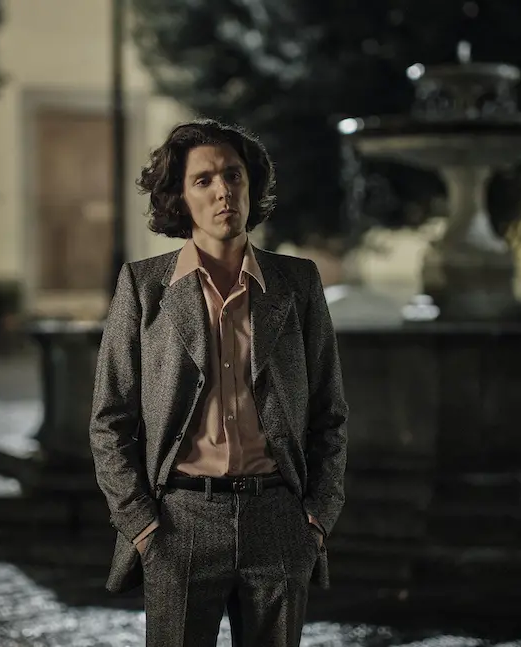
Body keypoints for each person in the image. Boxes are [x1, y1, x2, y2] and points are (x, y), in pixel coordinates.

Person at [88, 119, 348, 647]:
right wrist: (141, 524)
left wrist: (316, 517)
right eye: (203, 180)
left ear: (251, 185)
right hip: (179, 521)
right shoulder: (144, 286)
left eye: (233, 175)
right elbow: (109, 420)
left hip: (278, 518)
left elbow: (330, 411)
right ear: (180, 198)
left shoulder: (297, 282)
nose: (223, 191)